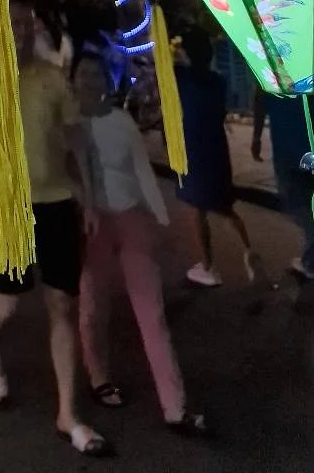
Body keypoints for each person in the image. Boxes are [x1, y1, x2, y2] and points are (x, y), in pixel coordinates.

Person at [0, 0, 109, 458]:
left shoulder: (50, 77)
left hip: (57, 201)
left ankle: (68, 413)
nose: (21, 31)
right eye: (12, 24)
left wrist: (87, 194)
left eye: (26, 24)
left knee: (62, 303)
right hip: (9, 209)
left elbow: (74, 138)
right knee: (7, 304)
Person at [73, 54, 207, 435]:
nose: (90, 79)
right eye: (83, 73)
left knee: (152, 314)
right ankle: (98, 376)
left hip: (130, 218)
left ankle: (175, 406)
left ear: (106, 82)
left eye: (96, 73)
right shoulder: (68, 125)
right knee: (92, 307)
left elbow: (142, 171)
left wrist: (161, 219)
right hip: (92, 223)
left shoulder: (122, 123)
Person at [174, 28, 261, 286]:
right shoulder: (217, 81)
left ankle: (208, 266)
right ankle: (249, 250)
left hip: (194, 149)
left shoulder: (183, 78)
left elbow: (163, 67)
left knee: (198, 209)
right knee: (225, 206)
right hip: (216, 148)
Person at [253, 90, 314, 281]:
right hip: (304, 146)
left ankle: (311, 261)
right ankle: (309, 256)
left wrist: (256, 136)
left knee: (298, 206)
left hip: (288, 151)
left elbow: (259, 100)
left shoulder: (269, 70)